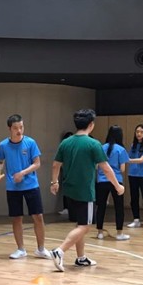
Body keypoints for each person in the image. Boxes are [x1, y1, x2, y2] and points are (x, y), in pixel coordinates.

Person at [49, 109, 124, 272]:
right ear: (91, 124)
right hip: (85, 192)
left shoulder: (66, 142)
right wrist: (118, 186)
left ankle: (81, 258)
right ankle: (59, 251)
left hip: (69, 191)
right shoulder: (93, 144)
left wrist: (54, 182)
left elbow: (55, 165)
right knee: (85, 226)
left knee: (80, 223)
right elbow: (106, 168)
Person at [0, 114, 50, 259]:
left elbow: (37, 163)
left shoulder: (30, 142)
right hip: (12, 187)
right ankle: (20, 249)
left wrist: (22, 173)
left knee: (38, 216)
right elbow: (0, 162)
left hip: (31, 185)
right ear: (9, 129)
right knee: (16, 218)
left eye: (21, 127)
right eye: (15, 128)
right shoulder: (3, 145)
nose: (19, 130)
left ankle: (41, 249)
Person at [95, 125, 130, 241]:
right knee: (119, 207)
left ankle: (100, 232)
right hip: (116, 181)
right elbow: (122, 169)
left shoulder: (101, 147)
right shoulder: (121, 149)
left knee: (101, 206)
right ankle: (119, 233)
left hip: (101, 181)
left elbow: (96, 166)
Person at [57, 131, 73, 216]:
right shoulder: (63, 148)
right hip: (66, 173)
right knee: (65, 191)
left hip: (74, 173)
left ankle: (73, 208)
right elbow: (58, 163)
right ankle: (66, 208)